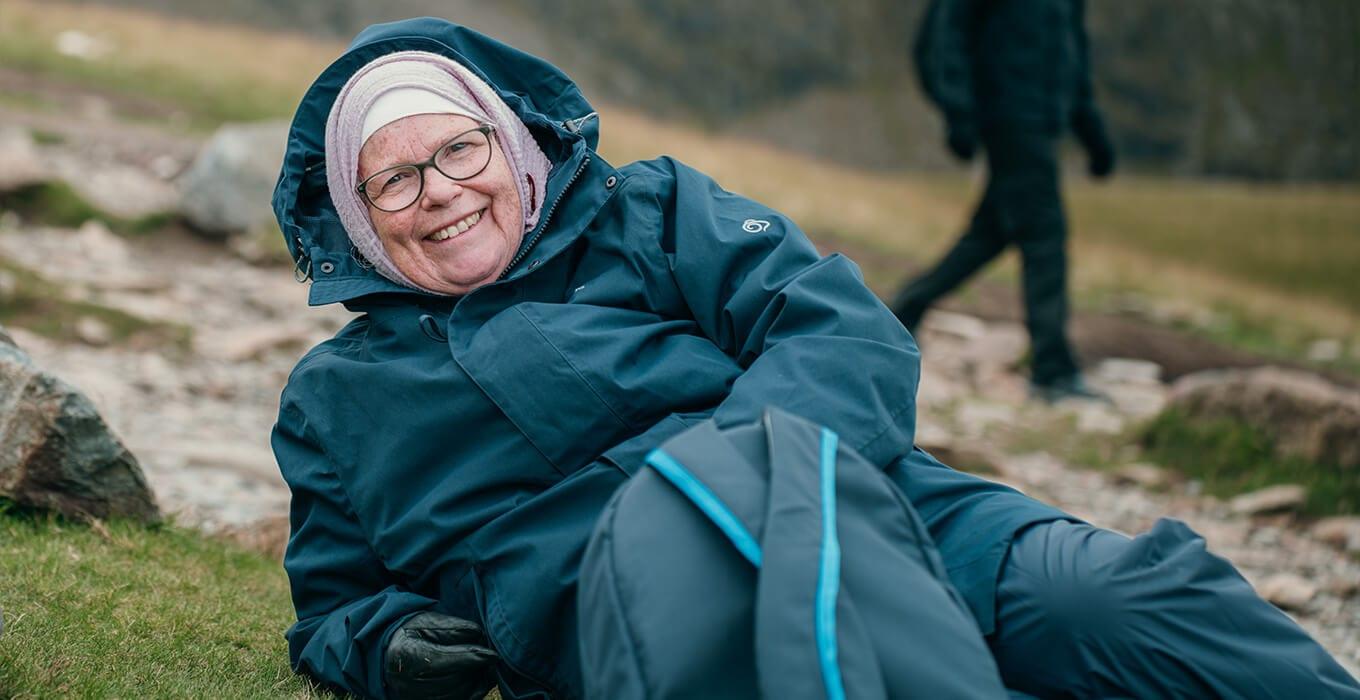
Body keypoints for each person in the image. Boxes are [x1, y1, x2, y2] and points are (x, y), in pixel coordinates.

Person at [271, 17, 1359, 700]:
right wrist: (391, 643)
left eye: (458, 147)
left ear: (505, 140)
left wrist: (742, 474)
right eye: (395, 181)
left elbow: (835, 329)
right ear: (362, 224)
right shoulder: (333, 400)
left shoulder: (648, 210)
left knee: (1122, 605)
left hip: (868, 505)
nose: (444, 191)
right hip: (637, 608)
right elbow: (333, 604)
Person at [892, 0, 1116, 402]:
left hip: (1046, 122)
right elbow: (947, 34)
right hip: (1008, 117)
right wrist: (959, 114)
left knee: (989, 235)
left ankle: (905, 308)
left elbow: (1073, 53)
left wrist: (1092, 131)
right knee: (1046, 236)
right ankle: (1053, 370)